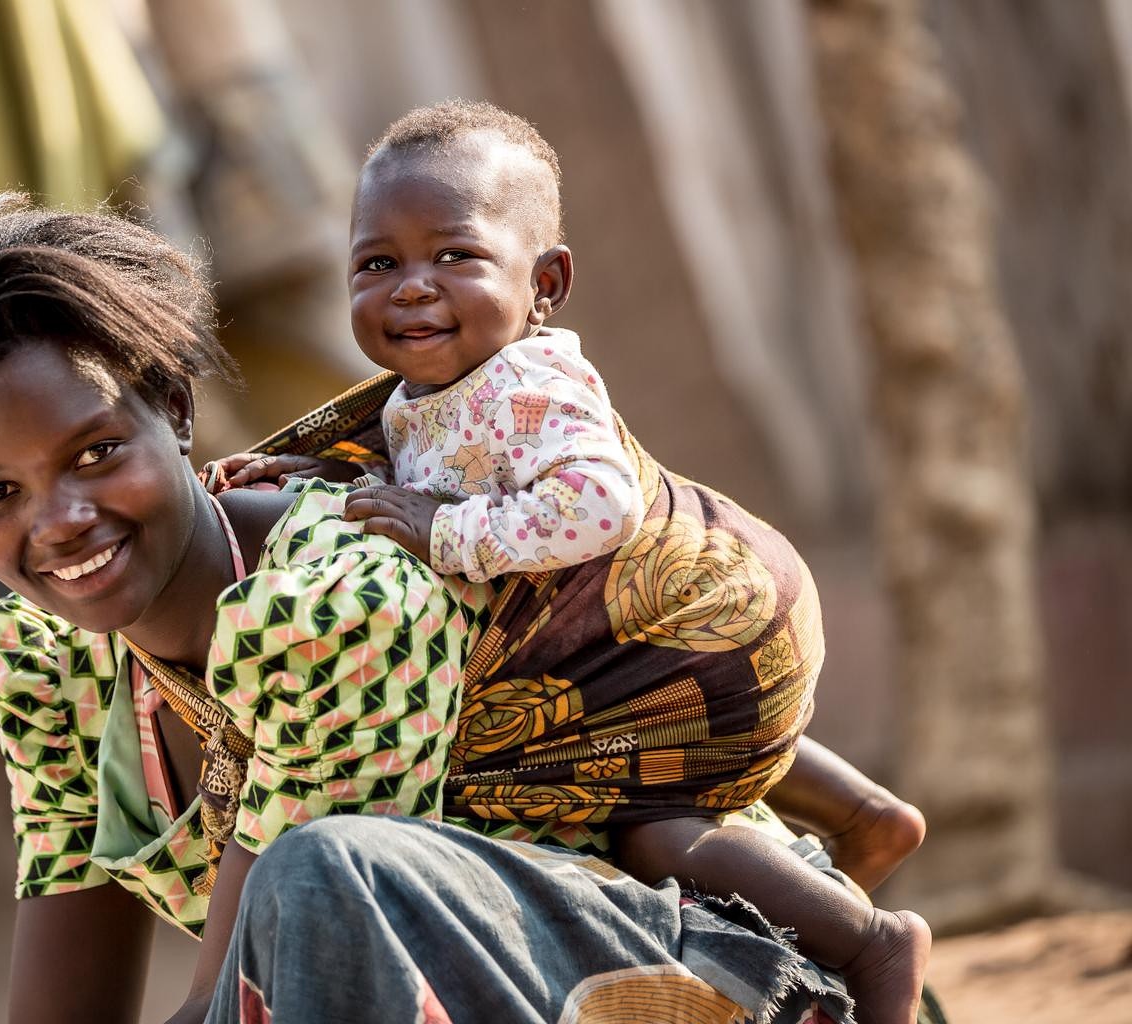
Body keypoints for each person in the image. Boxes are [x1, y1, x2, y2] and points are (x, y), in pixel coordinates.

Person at [0, 192, 874, 1024]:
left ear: (174, 408)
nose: (60, 522)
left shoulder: (333, 599)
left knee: (319, 876)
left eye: (96, 453)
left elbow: (237, 1002)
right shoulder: (41, 652)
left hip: (714, 976)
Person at [213, 100, 930, 1024]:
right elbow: (432, 468)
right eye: (377, 263)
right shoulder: (424, 390)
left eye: (455, 256)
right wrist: (317, 471)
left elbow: (600, 504)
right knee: (639, 741)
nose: (412, 287)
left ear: (544, 282)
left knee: (648, 827)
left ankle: (870, 942)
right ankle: (868, 818)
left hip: (700, 616)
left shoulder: (530, 382)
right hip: (672, 635)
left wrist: (445, 536)